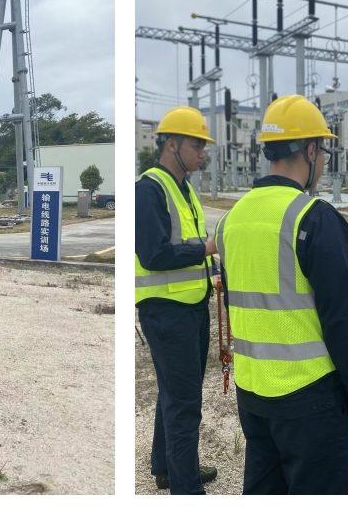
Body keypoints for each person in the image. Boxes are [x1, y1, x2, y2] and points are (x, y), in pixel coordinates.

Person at [213, 96, 348, 494]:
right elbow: (343, 316)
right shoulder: (314, 218)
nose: (323, 161)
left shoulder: (231, 220)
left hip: (252, 391)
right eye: (322, 151)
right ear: (310, 150)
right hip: (310, 397)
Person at [135, 106, 219, 494]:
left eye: (204, 146)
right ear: (172, 144)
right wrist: (205, 249)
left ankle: (167, 468)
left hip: (191, 305)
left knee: (175, 393)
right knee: (185, 403)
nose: (202, 153)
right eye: (196, 145)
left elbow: (191, 243)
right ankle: (186, 490)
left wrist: (212, 269)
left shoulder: (183, 187)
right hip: (167, 311)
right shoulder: (149, 188)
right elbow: (154, 254)